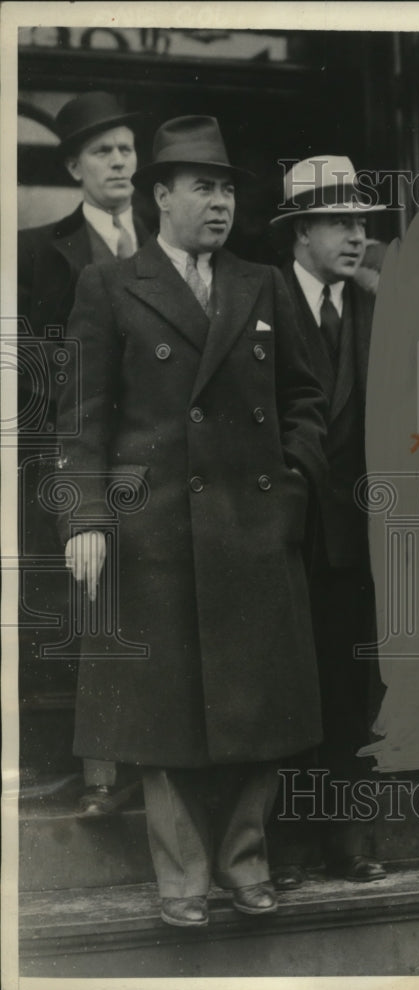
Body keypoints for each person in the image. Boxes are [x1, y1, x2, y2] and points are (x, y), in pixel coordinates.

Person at [55, 116, 328, 927]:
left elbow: (306, 399)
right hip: (156, 538)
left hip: (254, 528)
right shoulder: (110, 286)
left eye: (228, 187)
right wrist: (86, 517)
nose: (219, 202)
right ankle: (181, 879)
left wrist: (292, 486)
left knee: (264, 708)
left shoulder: (261, 282)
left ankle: (246, 862)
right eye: (203, 186)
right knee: (161, 718)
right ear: (161, 196)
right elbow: (80, 420)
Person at [18, 91, 150, 818]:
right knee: (94, 613)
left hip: (160, 464)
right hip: (87, 464)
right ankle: (103, 776)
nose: (118, 162)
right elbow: (37, 374)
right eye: (102, 151)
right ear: (73, 166)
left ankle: (152, 765)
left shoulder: (171, 243)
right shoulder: (44, 252)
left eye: (126, 148)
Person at [268, 156, 387, 886]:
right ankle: (284, 843)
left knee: (351, 692)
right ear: (302, 229)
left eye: (361, 225)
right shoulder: (259, 294)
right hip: (279, 536)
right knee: (284, 693)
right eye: (340, 223)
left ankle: (344, 838)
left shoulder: (376, 307)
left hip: (357, 541)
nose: (354, 237)